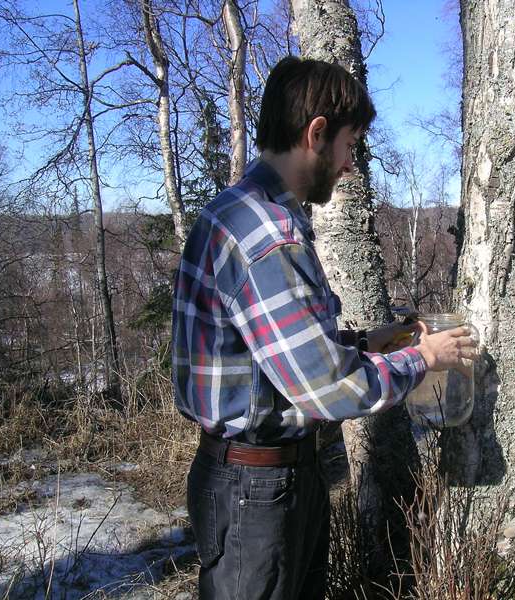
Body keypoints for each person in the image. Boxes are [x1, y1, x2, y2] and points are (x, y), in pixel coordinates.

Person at [171, 56, 477, 600]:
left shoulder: (239, 212)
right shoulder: (268, 236)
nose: (351, 164)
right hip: (256, 492)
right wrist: (424, 358)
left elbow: (267, 357)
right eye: (349, 145)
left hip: (257, 479)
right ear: (316, 134)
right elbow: (327, 390)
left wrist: (362, 344)